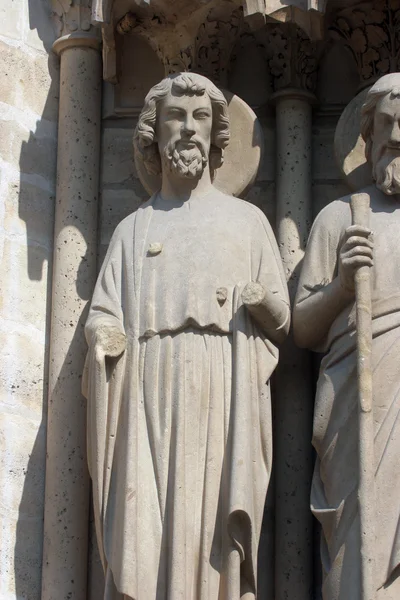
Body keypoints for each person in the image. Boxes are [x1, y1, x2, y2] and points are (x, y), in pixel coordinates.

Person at [83, 72, 289, 600]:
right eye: (177, 116)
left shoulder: (247, 222)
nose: (189, 129)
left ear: (218, 132)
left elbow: (283, 318)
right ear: (155, 130)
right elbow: (104, 310)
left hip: (222, 390)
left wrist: (260, 301)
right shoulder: (133, 229)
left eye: (201, 118)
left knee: (212, 529)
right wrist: (104, 335)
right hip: (147, 389)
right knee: (146, 528)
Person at [293, 73, 400, 599]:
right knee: (356, 552)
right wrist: (339, 285)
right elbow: (302, 327)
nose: (399, 135)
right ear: (368, 132)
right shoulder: (341, 218)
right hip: (357, 403)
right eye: (388, 122)